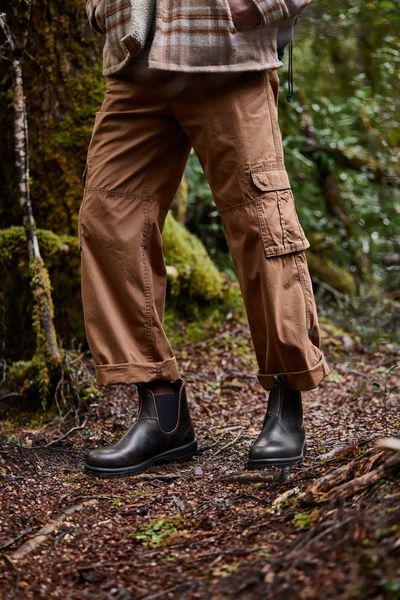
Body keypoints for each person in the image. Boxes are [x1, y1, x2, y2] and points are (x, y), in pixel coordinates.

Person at [80, 0, 330, 478]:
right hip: (137, 66)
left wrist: (258, 6)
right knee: (107, 221)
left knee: (261, 223)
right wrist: (104, 9)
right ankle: (162, 409)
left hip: (227, 59)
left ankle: (286, 399)